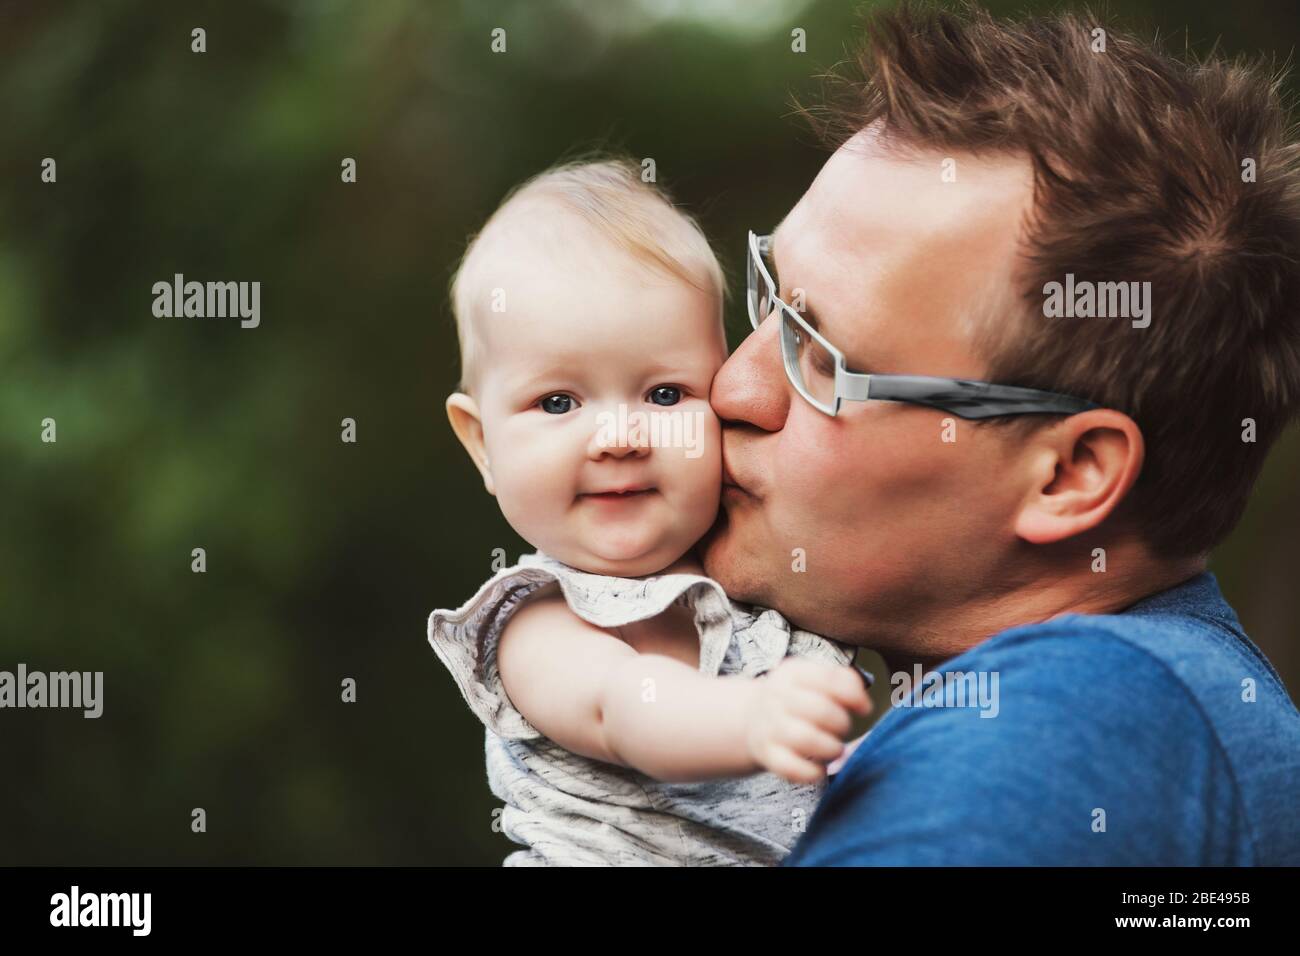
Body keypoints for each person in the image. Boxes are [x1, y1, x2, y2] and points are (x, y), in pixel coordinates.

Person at [698, 4, 1300, 865]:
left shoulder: (1061, 732)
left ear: (1070, 475)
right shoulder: (1159, 720)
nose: (733, 388)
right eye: (769, 295)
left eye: (820, 358)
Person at [428, 158, 871, 866]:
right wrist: (751, 719)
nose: (619, 438)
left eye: (664, 395)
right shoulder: (536, 620)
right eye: (558, 403)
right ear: (482, 443)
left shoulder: (766, 585)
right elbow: (622, 707)